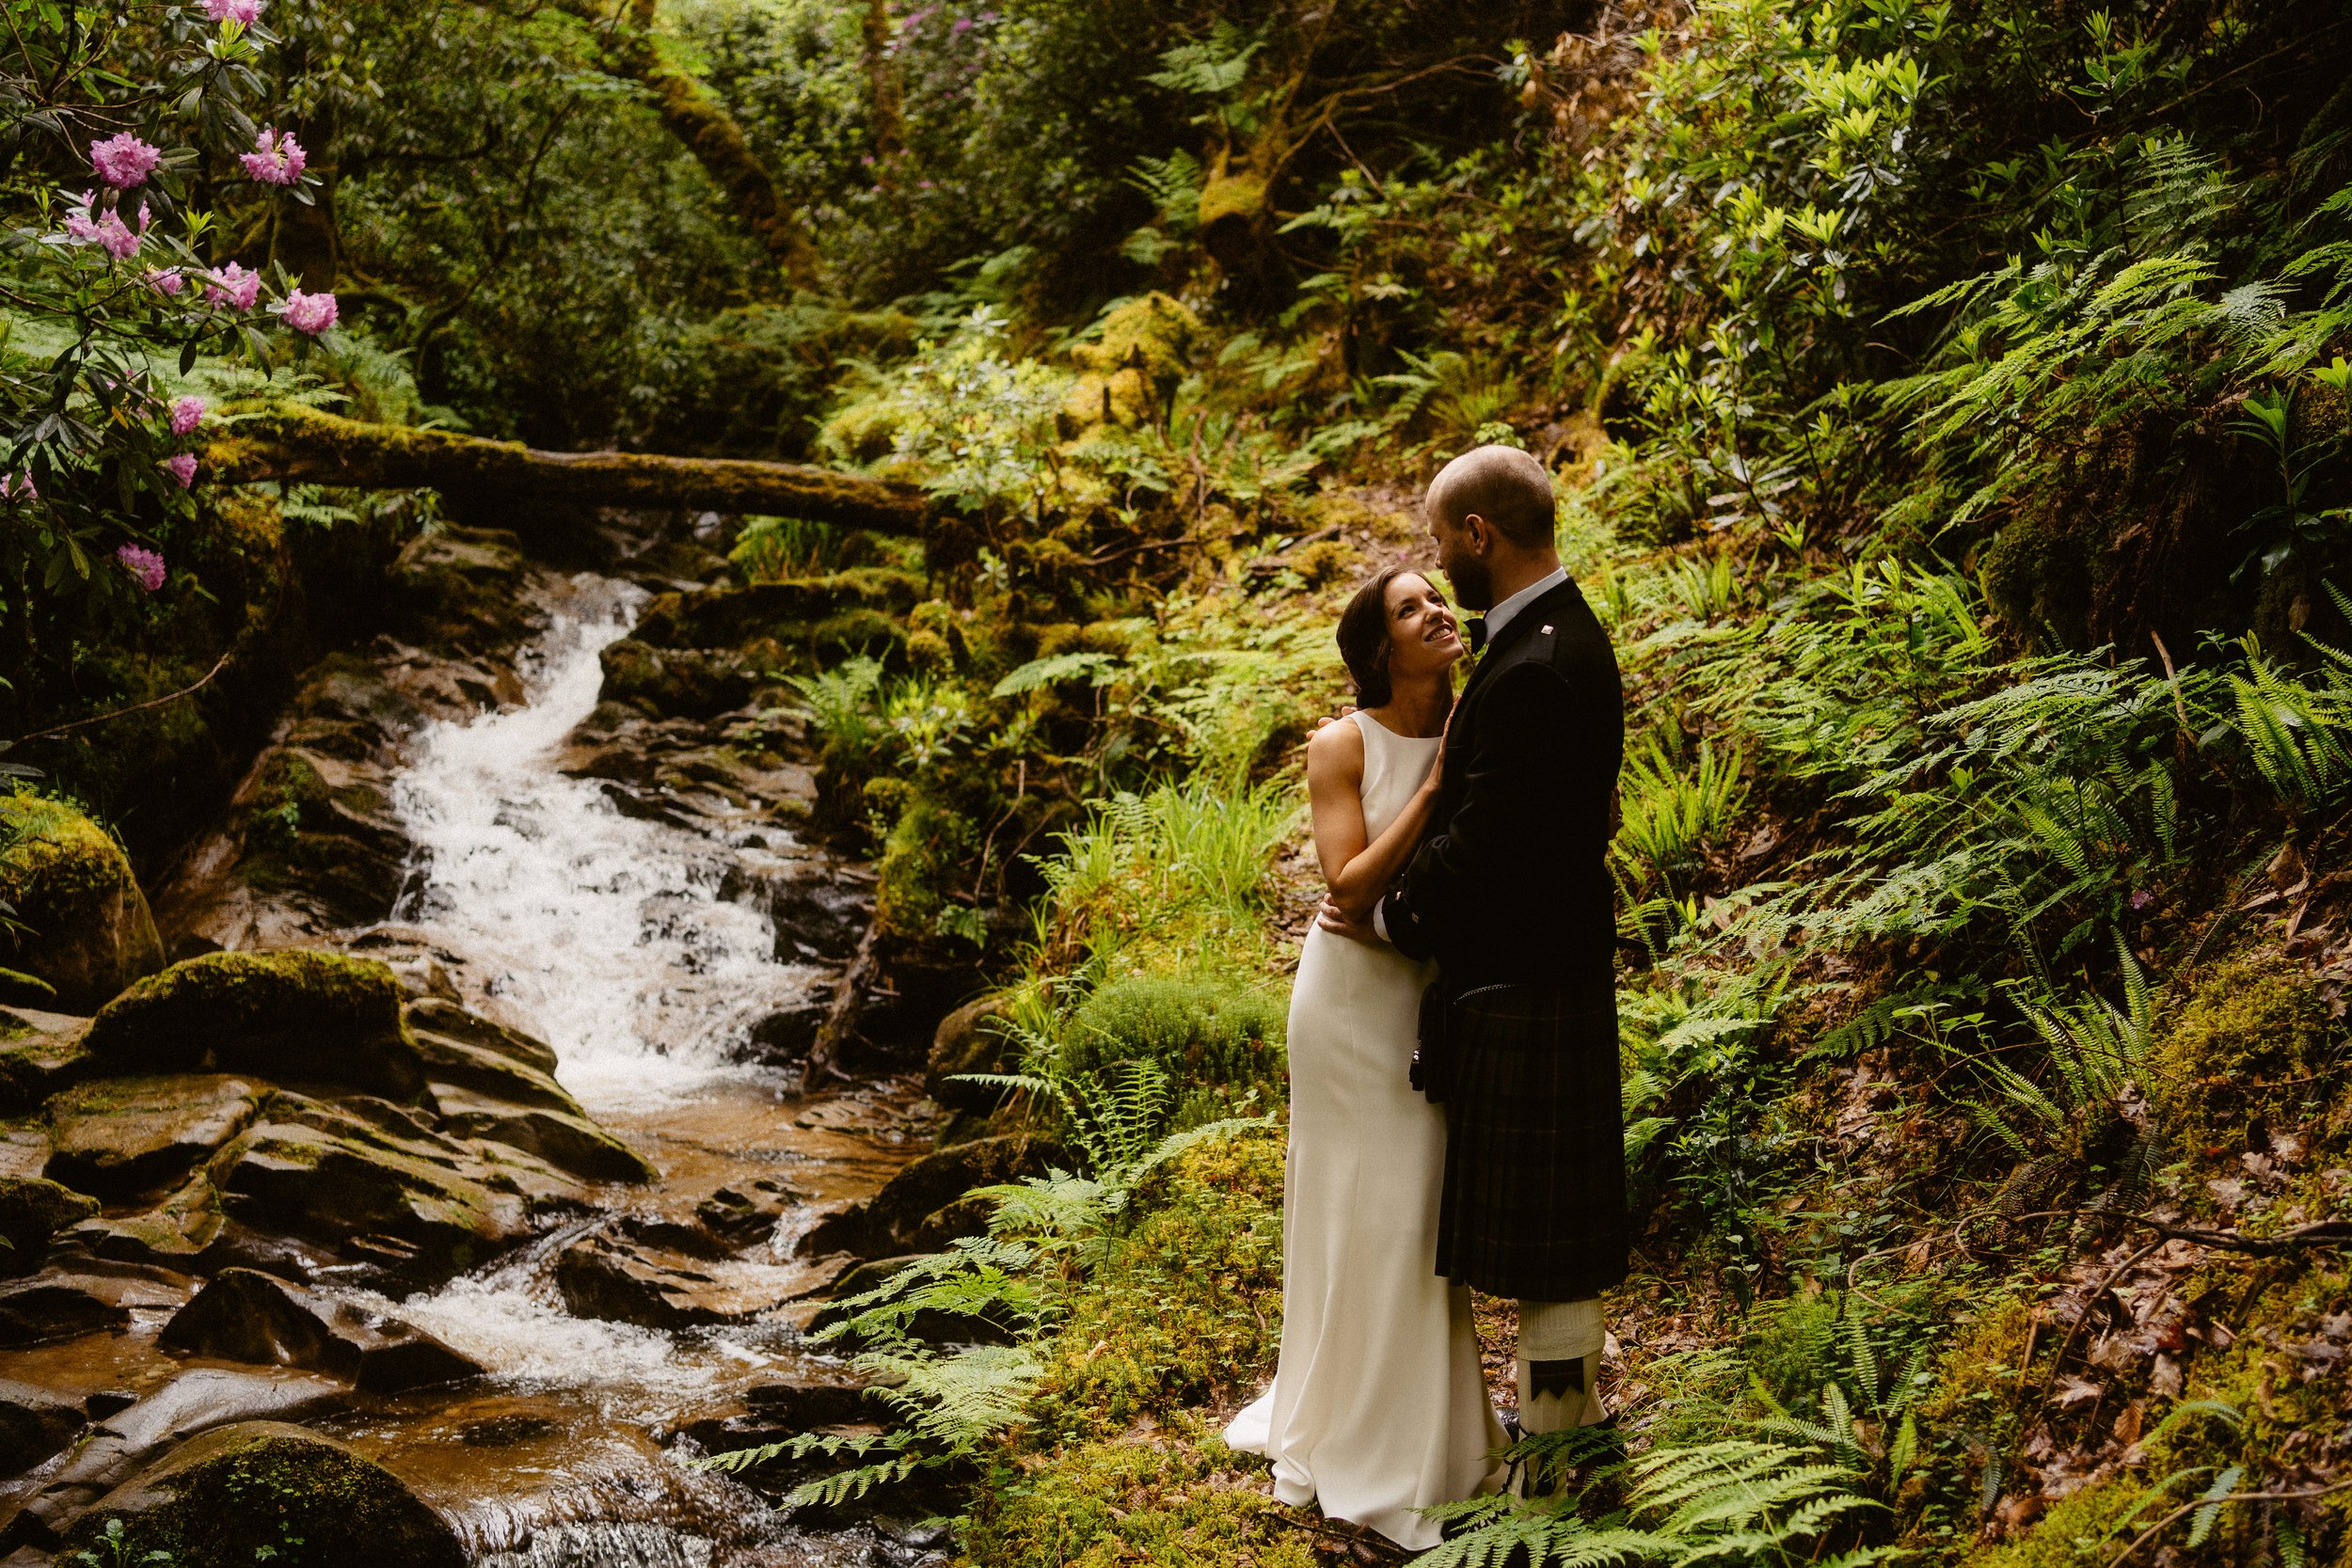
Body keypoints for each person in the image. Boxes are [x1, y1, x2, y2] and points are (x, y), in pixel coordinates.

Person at [1320, 444, 1629, 1449]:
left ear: (1478, 535)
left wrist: (1400, 917)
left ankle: (1551, 1452)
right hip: (1544, 963)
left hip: (1528, 971)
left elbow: (1490, 839)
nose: (1440, 563)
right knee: (1551, 1237)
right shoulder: (1554, 636)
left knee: (1545, 1247)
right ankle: (1565, 1419)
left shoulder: (1534, 661)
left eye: (1444, 539)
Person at [1223, 565, 1506, 1550]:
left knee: (1420, 1198)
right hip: (1350, 997)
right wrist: (1431, 788)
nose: (1436, 612)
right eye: (1409, 606)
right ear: (1378, 645)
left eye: (1437, 597)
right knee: (1367, 1194)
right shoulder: (1341, 743)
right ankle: (1363, 1435)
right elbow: (1344, 886)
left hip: (1434, 989)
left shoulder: (1483, 714)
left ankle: (1435, 1426)